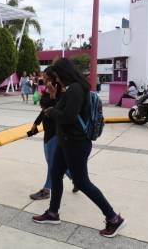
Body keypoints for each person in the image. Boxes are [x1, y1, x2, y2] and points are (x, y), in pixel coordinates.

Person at [32, 58, 125, 238]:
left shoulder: (76, 89)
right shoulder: (73, 88)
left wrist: (51, 112)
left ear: (64, 73)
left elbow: (68, 116)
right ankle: (53, 213)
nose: (56, 80)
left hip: (76, 143)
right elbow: (63, 108)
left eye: (57, 76)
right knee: (55, 174)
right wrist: (53, 101)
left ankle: (114, 218)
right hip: (66, 141)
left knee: (82, 182)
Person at [28, 67, 77, 201]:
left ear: (52, 77)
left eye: (45, 77)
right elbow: (45, 110)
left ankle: (46, 190)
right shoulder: (47, 89)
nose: (43, 78)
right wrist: (36, 123)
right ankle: (77, 179)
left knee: (52, 164)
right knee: (53, 162)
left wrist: (54, 95)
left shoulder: (61, 91)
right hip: (48, 130)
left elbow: (60, 111)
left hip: (56, 132)